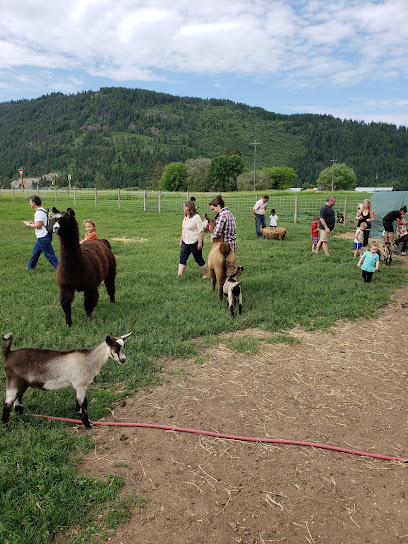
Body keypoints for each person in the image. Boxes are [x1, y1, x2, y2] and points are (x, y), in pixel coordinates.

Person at [23, 195, 59, 270]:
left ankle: (60, 269)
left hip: (43, 237)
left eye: (30, 202)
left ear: (33, 203)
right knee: (35, 252)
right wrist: (33, 222)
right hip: (44, 236)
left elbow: (39, 225)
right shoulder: (43, 210)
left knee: (49, 255)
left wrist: (29, 224)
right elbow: (42, 223)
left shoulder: (38, 213)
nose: (29, 203)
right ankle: (31, 268)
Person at [178, 201, 209, 277]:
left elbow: (200, 231)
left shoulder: (196, 217)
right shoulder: (186, 216)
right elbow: (184, 229)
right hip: (186, 241)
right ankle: (179, 275)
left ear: (188, 207)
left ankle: (206, 274)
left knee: (198, 258)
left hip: (195, 241)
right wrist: (181, 239)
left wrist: (200, 242)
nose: (183, 207)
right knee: (182, 257)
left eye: (184, 206)